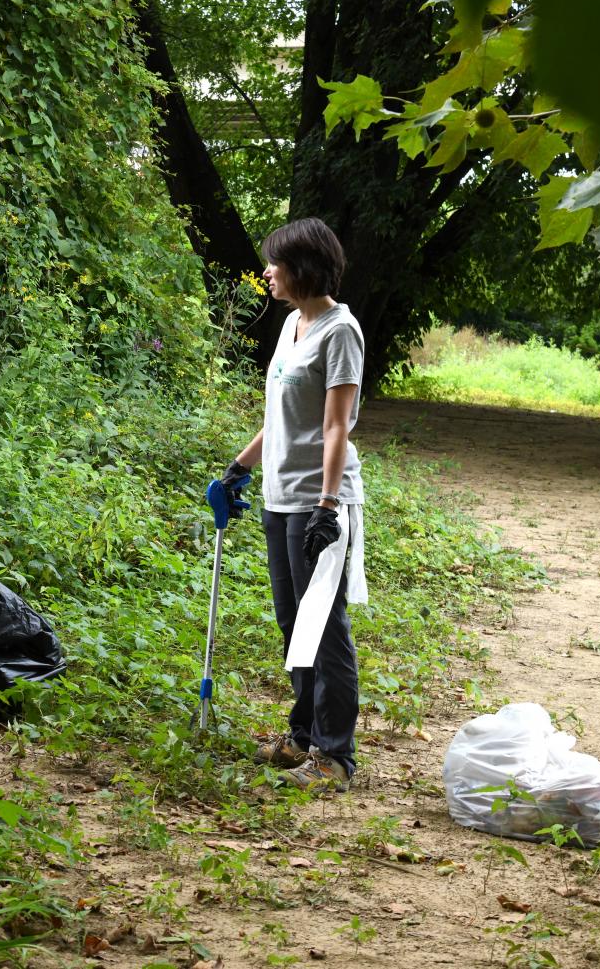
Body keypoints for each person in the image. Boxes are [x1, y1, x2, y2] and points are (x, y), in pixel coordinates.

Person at [218, 217, 367, 794]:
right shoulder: (291, 326)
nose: (267, 272)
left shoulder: (340, 331)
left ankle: (336, 756)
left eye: (275, 263)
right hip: (278, 497)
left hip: (318, 500)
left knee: (323, 626)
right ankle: (302, 736)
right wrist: (239, 467)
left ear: (303, 267)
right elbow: (277, 419)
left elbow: (336, 428)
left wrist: (328, 507)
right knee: (292, 623)